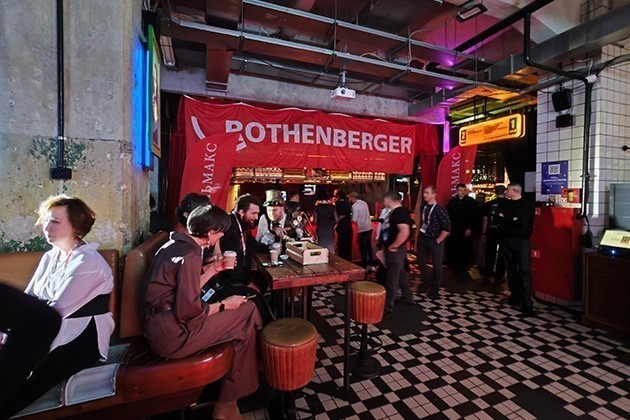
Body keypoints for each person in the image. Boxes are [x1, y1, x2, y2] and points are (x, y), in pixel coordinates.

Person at [0, 195, 115, 417]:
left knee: (25, 382)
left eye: (55, 222)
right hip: (47, 329)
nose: (46, 227)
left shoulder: (88, 262)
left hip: (82, 337)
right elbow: (29, 300)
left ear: (77, 226)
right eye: (46, 220)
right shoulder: (50, 256)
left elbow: (56, 312)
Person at [144, 205, 262, 419]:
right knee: (248, 312)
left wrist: (214, 269)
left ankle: (230, 398)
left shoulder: (174, 244)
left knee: (246, 318)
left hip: (158, 326)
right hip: (173, 335)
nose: (223, 236)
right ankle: (228, 403)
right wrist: (224, 305)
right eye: (221, 232)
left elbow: (184, 290)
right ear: (210, 232)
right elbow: (189, 312)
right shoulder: (189, 255)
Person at [213, 194, 273, 322]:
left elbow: (252, 244)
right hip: (229, 281)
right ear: (241, 212)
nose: (256, 217)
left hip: (240, 275)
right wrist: (247, 282)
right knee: (257, 298)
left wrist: (270, 247)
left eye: (258, 213)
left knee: (264, 279)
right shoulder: (230, 226)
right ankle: (269, 327)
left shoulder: (242, 225)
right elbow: (230, 267)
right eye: (253, 213)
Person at [498, 183, 536, 317]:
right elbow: (500, 219)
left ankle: (527, 303)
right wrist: (512, 220)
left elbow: (523, 224)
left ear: (515, 191)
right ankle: (514, 296)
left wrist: (507, 219)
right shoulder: (505, 204)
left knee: (524, 271)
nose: (505, 192)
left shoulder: (527, 205)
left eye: (508, 190)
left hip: (522, 242)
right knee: (511, 270)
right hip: (507, 240)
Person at [380, 191, 413, 313]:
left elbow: (404, 231)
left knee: (392, 277)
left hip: (395, 250)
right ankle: (407, 297)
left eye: (384, 200)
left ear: (389, 200)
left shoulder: (399, 212)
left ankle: (389, 305)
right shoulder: (396, 212)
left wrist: (394, 245)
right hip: (395, 248)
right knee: (401, 274)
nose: (384, 202)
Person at [417, 186, 451, 299]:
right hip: (423, 238)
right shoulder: (423, 206)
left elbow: (447, 227)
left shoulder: (439, 209)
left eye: (427, 193)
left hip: (435, 239)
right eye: (424, 193)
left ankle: (435, 287)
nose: (424, 195)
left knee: (437, 265)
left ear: (434, 194)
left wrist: (438, 240)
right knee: (421, 262)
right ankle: (426, 282)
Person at [176, 193, 221, 261]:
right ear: (187, 215)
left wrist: (215, 259)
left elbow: (217, 255)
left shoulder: (211, 232)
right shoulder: (181, 236)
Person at [446, 183, 477, 279]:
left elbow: (474, 216)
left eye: (464, 190)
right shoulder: (452, 202)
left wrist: (470, 228)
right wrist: (448, 228)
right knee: (455, 248)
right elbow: (448, 216)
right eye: (460, 190)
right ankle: (456, 267)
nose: (462, 192)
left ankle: (464, 269)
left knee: (465, 249)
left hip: (465, 229)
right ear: (457, 191)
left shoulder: (471, 202)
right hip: (455, 229)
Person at [482, 185, 508, 284]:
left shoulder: (489, 204)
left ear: (495, 192)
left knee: (490, 252)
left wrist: (484, 232)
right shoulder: (509, 204)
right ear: (505, 192)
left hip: (491, 231)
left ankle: (488, 273)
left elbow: (485, 219)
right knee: (502, 254)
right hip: (504, 232)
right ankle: (499, 276)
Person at [348, 192, 376, 271]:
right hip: (369, 227)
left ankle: (364, 266)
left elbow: (354, 219)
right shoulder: (364, 203)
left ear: (352, 197)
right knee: (369, 247)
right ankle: (372, 265)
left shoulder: (354, 206)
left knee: (363, 249)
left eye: (349, 198)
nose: (349, 199)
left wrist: (348, 218)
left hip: (362, 229)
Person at [313, 189, 337, 253]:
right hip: (329, 229)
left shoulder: (317, 207)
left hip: (320, 229)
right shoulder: (332, 207)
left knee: (320, 250)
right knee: (331, 249)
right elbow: (336, 220)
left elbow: (315, 221)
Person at [334, 189, 352, 261]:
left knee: (341, 245)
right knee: (348, 245)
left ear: (338, 196)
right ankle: (348, 261)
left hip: (342, 227)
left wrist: (335, 221)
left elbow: (341, 215)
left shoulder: (338, 204)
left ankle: (341, 260)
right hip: (348, 226)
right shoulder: (347, 203)